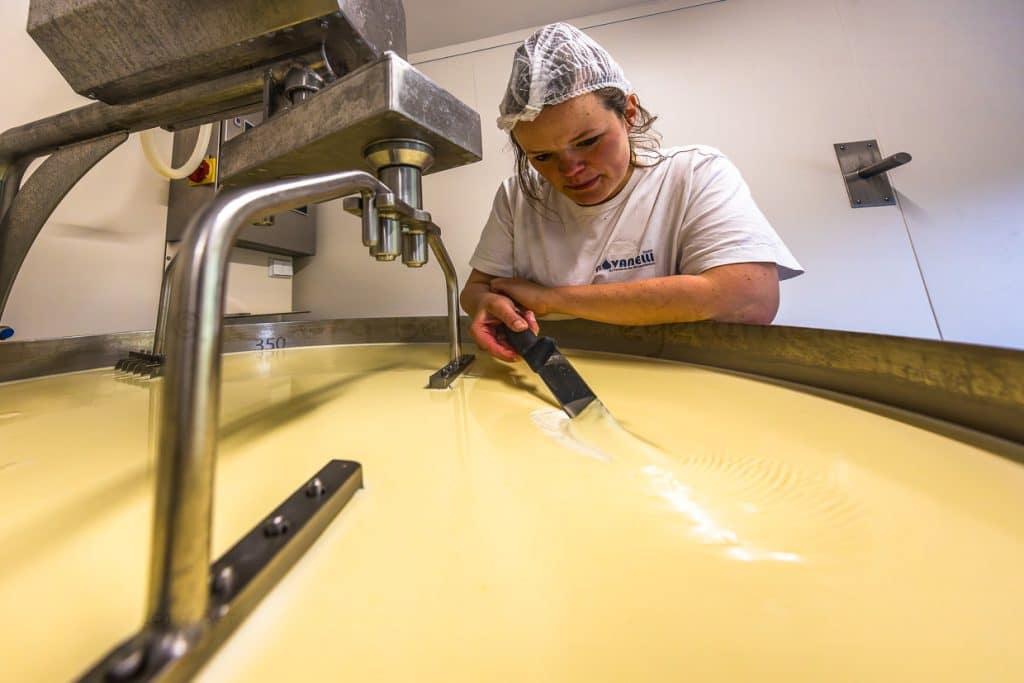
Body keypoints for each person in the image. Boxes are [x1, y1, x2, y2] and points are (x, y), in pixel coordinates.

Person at [460, 22, 803, 362]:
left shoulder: (693, 173)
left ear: (629, 113)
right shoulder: (516, 198)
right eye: (543, 157)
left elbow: (748, 299)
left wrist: (551, 300)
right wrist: (486, 305)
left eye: (587, 141)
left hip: (677, 369)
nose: (570, 170)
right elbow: (475, 291)